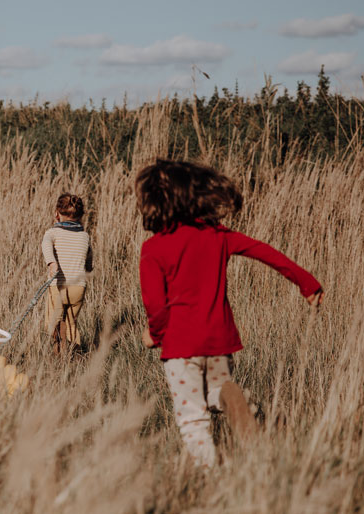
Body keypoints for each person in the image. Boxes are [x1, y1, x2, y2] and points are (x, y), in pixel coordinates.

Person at [135, 159, 323, 466]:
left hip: (181, 347)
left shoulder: (154, 248)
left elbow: (156, 307)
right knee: (215, 393)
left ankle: (211, 474)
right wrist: (307, 283)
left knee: (192, 419)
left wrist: (154, 334)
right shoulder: (218, 235)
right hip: (219, 340)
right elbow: (266, 252)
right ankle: (229, 395)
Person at [41, 193, 93, 352]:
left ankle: (58, 351)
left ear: (57, 213)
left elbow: (46, 244)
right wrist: (89, 268)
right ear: (81, 216)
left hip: (59, 286)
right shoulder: (85, 236)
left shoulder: (52, 233)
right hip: (79, 287)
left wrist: (52, 262)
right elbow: (89, 258)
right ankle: (73, 351)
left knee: (53, 321)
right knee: (70, 322)